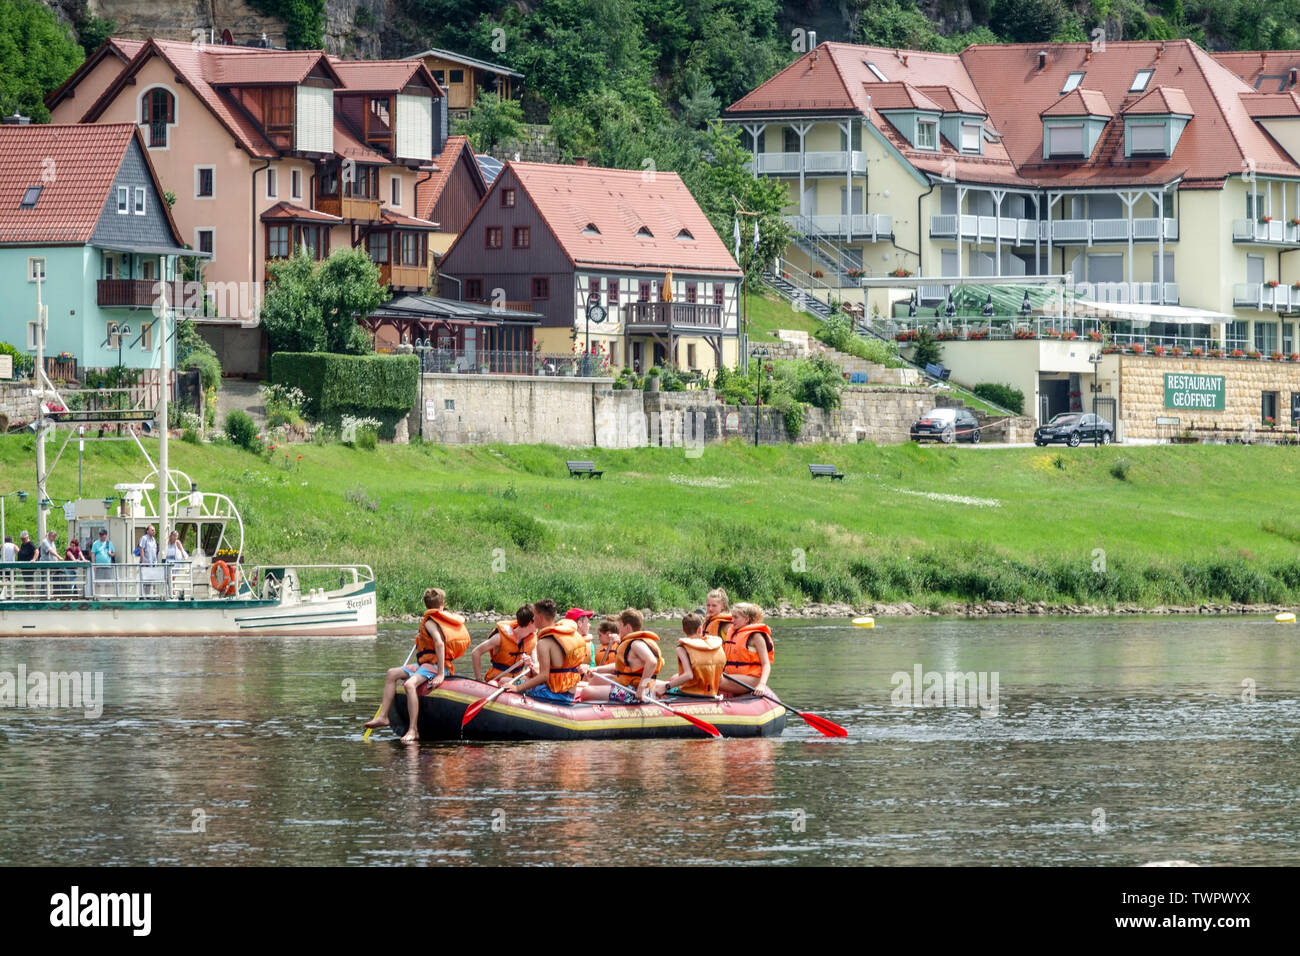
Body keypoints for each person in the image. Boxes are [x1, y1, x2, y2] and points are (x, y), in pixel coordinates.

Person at [364, 587, 471, 743]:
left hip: (435, 666)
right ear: (443, 604)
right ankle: (383, 717)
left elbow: (440, 644)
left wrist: (441, 674)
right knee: (391, 673)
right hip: (425, 664)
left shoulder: (431, 622)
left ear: (425, 604)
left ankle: (413, 729)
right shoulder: (433, 620)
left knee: (409, 685)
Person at [576, 608, 662, 703]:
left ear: (628, 627)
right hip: (630, 685)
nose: (618, 629)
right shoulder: (632, 642)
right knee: (594, 679)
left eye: (620, 625)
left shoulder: (636, 643)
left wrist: (641, 687)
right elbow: (619, 666)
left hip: (637, 693)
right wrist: (596, 669)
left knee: (586, 692)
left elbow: (652, 662)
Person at [511, 599, 586, 704]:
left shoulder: (544, 643)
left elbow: (544, 676)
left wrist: (518, 688)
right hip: (570, 694)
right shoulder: (568, 635)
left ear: (540, 617)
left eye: (534, 615)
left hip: (554, 695)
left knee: (505, 682)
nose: (533, 618)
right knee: (524, 681)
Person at [660, 612, 725, 698]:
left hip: (688, 694)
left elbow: (688, 675)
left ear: (683, 630)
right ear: (700, 629)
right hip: (710, 694)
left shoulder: (682, 648)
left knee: (657, 687)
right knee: (673, 678)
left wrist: (666, 687)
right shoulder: (715, 646)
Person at [471, 604, 537, 684]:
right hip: (497, 678)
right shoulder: (499, 638)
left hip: (517, 680)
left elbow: (536, 666)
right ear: (531, 622)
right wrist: (478, 679)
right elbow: (476, 652)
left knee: (533, 682)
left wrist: (530, 663)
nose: (540, 623)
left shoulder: (533, 640)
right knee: (493, 684)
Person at [720, 602, 774, 698]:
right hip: (734, 677)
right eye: (732, 617)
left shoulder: (756, 636)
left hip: (752, 679)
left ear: (746, 619)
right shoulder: (732, 632)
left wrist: (761, 684)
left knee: (715, 681)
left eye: (736, 617)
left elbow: (766, 664)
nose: (732, 621)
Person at [90, 528, 116, 597]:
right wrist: (94, 565)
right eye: (101, 535)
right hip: (98, 566)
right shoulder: (95, 543)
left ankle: (108, 596)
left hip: (108, 566)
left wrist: (111, 554)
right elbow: (93, 554)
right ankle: (97, 596)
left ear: (106, 535)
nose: (102, 536)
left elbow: (114, 553)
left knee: (108, 583)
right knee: (97, 582)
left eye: (103, 535)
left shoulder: (109, 543)